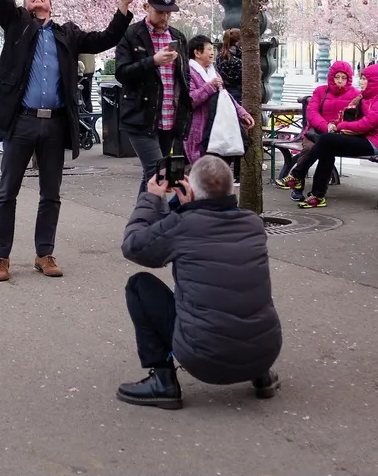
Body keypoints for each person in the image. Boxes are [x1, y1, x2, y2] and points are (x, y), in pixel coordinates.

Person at [0, 0, 133, 282]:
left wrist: (123, 9)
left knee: (52, 193)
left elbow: (106, 38)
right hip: (22, 122)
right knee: (7, 192)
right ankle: (1, 257)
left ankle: (44, 254)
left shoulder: (68, 34)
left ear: (50, 4)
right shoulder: (16, 24)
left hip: (56, 123)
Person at [116, 156, 281, 409]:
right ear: (232, 188)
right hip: (265, 353)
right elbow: (209, 229)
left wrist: (151, 198)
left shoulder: (182, 225)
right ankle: (261, 375)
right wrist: (189, 206)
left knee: (139, 286)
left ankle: (163, 382)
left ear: (191, 190)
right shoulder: (253, 223)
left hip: (204, 360)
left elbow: (133, 246)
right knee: (240, 284)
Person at [114, 0, 193, 193]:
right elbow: (121, 73)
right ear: (146, 7)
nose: (164, 17)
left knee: (151, 176)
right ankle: (157, 222)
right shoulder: (132, 34)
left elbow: (184, 77)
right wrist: (153, 61)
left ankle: (142, 222)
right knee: (158, 174)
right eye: (159, 11)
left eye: (168, 12)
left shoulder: (178, 37)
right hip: (141, 117)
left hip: (170, 118)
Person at [278, 60, 358, 194]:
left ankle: (316, 192)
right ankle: (298, 186)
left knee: (328, 149)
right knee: (310, 148)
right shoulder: (321, 91)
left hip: (339, 135)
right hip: (316, 133)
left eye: (344, 78)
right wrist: (326, 126)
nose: (340, 81)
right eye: (337, 77)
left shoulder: (355, 95)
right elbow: (312, 113)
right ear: (331, 77)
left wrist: (337, 127)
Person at [184, 34, 254, 167]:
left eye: (212, 49)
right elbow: (190, 100)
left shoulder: (213, 72)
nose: (212, 53)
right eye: (209, 49)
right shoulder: (189, 72)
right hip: (199, 132)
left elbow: (225, 96)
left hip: (219, 131)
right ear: (197, 53)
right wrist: (210, 86)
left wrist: (242, 113)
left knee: (218, 172)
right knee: (202, 171)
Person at [217, 28, 243, 104]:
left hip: (223, 91)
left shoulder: (220, 56)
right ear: (237, 42)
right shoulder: (236, 60)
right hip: (237, 92)